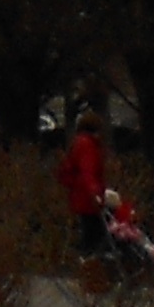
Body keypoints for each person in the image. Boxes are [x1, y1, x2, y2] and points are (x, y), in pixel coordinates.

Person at [60, 106, 111, 261]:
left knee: (89, 232)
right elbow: (88, 172)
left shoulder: (78, 143)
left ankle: (87, 261)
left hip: (80, 196)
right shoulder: (88, 146)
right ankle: (91, 264)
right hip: (88, 199)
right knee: (95, 235)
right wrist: (95, 193)